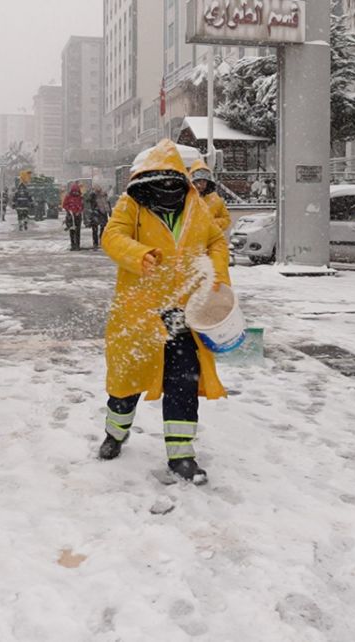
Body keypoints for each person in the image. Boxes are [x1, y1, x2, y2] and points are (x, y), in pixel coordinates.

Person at [96, 139, 231, 484]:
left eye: (173, 182)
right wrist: (137, 254)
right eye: (159, 182)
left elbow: (216, 240)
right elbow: (111, 237)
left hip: (184, 313)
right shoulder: (131, 205)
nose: (166, 189)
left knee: (183, 383)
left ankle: (181, 453)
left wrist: (215, 270)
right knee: (126, 384)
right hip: (139, 313)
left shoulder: (196, 207)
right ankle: (115, 433)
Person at [189, 159, 231, 234]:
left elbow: (226, 219)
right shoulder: (185, 198)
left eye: (204, 181)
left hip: (210, 239)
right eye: (198, 181)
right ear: (192, 181)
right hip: (190, 241)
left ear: (208, 182)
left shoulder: (216, 200)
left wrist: (212, 223)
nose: (200, 185)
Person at [62, 182, 85, 251]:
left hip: (78, 215)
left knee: (77, 231)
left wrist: (79, 211)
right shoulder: (68, 197)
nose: (75, 193)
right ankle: (73, 244)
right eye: (74, 191)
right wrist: (69, 210)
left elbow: (82, 205)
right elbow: (64, 205)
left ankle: (77, 244)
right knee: (72, 230)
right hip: (71, 216)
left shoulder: (80, 197)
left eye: (76, 191)